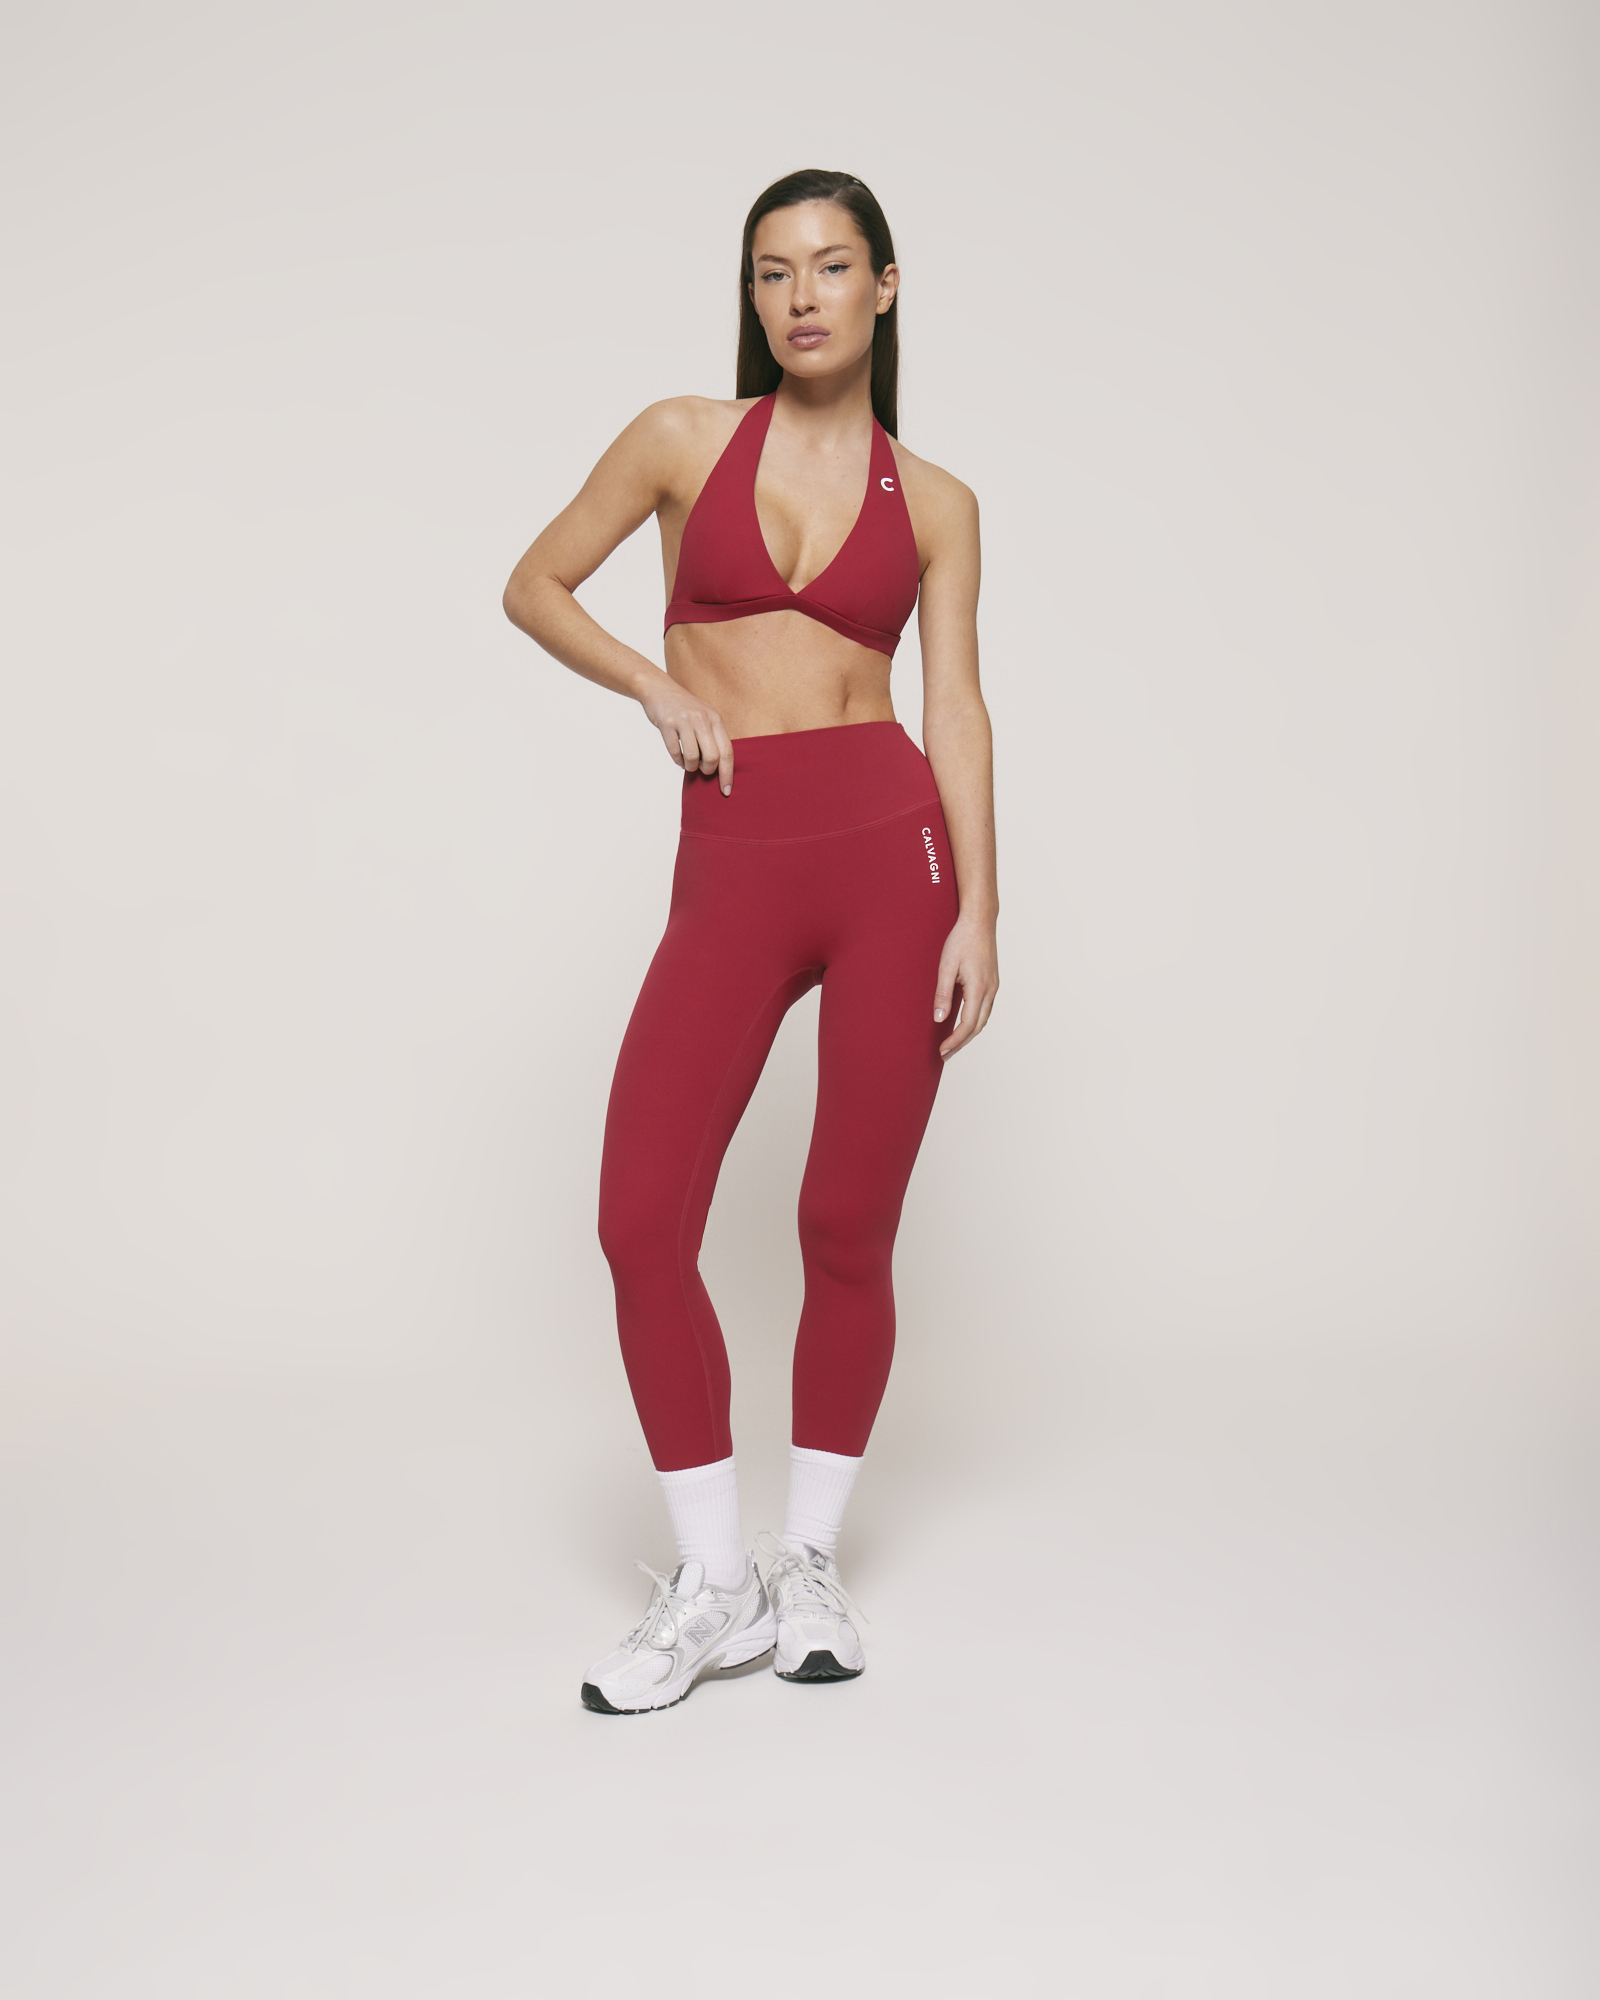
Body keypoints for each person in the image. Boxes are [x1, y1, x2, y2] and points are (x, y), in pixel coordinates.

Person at [503, 168, 998, 1713]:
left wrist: (983, 909)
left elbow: (957, 707)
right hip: (733, 860)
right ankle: (712, 1580)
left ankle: (808, 1562)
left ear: (884, 288)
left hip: (892, 858)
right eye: (773, 271)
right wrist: (653, 683)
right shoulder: (680, 438)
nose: (801, 296)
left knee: (844, 1223)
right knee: (640, 1216)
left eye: (832, 266)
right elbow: (533, 584)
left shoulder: (940, 504)